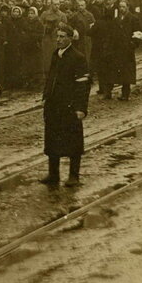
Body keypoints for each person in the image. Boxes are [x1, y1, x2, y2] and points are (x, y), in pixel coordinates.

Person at [39, 24, 90, 187]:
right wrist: (46, 96)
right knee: (52, 140)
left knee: (73, 140)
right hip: (54, 104)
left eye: (62, 37)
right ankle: (53, 174)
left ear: (70, 38)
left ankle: (73, 176)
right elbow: (51, 78)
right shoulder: (56, 54)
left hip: (69, 106)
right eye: (57, 36)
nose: (59, 40)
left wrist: (81, 108)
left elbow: (83, 85)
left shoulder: (78, 57)